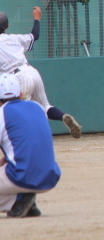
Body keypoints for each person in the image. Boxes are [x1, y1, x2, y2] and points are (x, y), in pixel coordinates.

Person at [0, 7, 82, 138]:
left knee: (19, 112)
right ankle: (63, 116)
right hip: (32, 72)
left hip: (18, 78)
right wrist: (37, 18)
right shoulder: (15, 38)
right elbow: (35, 35)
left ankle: (31, 139)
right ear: (7, 26)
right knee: (45, 106)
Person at [0, 73, 61, 218]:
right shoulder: (37, 107)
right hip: (51, 176)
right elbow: (25, 145)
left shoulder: (2, 113)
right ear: (21, 94)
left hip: (22, 177)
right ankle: (24, 202)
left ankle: (17, 200)